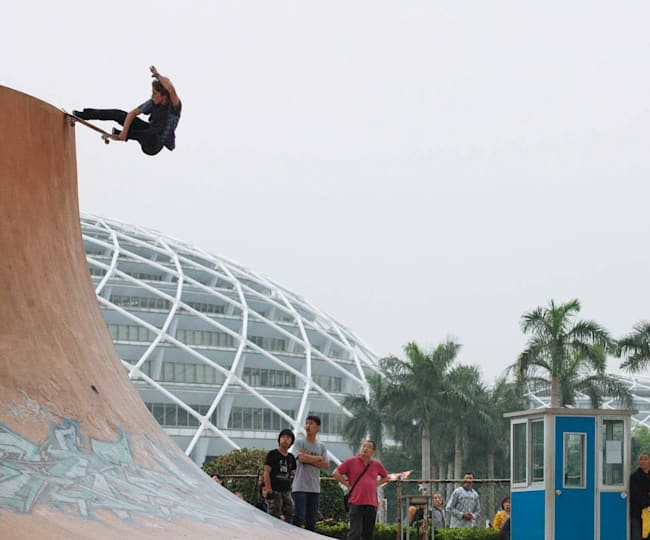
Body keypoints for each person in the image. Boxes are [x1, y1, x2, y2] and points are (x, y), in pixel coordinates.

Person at [73, 65, 181, 156]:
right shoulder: (152, 102)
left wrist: (158, 75)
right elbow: (132, 113)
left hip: (154, 145)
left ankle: (127, 134)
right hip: (146, 130)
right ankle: (84, 115)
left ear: (164, 96)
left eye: (154, 94)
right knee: (119, 114)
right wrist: (124, 131)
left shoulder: (174, 107)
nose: (152, 96)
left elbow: (171, 89)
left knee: (151, 133)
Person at [333, 440, 389, 540]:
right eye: (363, 446)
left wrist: (376, 484)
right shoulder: (351, 461)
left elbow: (386, 477)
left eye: (368, 447)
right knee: (355, 532)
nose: (365, 449)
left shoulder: (376, 464)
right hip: (355, 502)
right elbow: (336, 473)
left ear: (373, 451)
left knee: (368, 534)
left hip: (371, 503)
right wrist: (347, 485)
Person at [291, 415, 329, 531]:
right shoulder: (299, 442)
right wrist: (318, 458)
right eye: (307, 423)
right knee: (299, 517)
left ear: (318, 428)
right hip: (300, 487)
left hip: (314, 488)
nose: (308, 426)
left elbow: (326, 465)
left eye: (311, 423)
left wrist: (307, 457)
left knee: (312, 520)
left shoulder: (321, 446)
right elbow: (300, 458)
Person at [263, 428, 297, 522]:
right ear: (279, 439)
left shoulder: (291, 458)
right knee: (274, 516)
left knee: (290, 513)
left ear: (291, 442)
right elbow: (266, 472)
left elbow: (294, 473)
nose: (285, 439)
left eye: (288, 438)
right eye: (283, 437)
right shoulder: (272, 454)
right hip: (275, 490)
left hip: (286, 491)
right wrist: (269, 490)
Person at [630, 453, 650, 540]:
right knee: (637, 536)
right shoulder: (635, 476)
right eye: (641, 459)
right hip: (638, 513)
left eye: (645, 459)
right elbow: (635, 495)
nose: (642, 461)